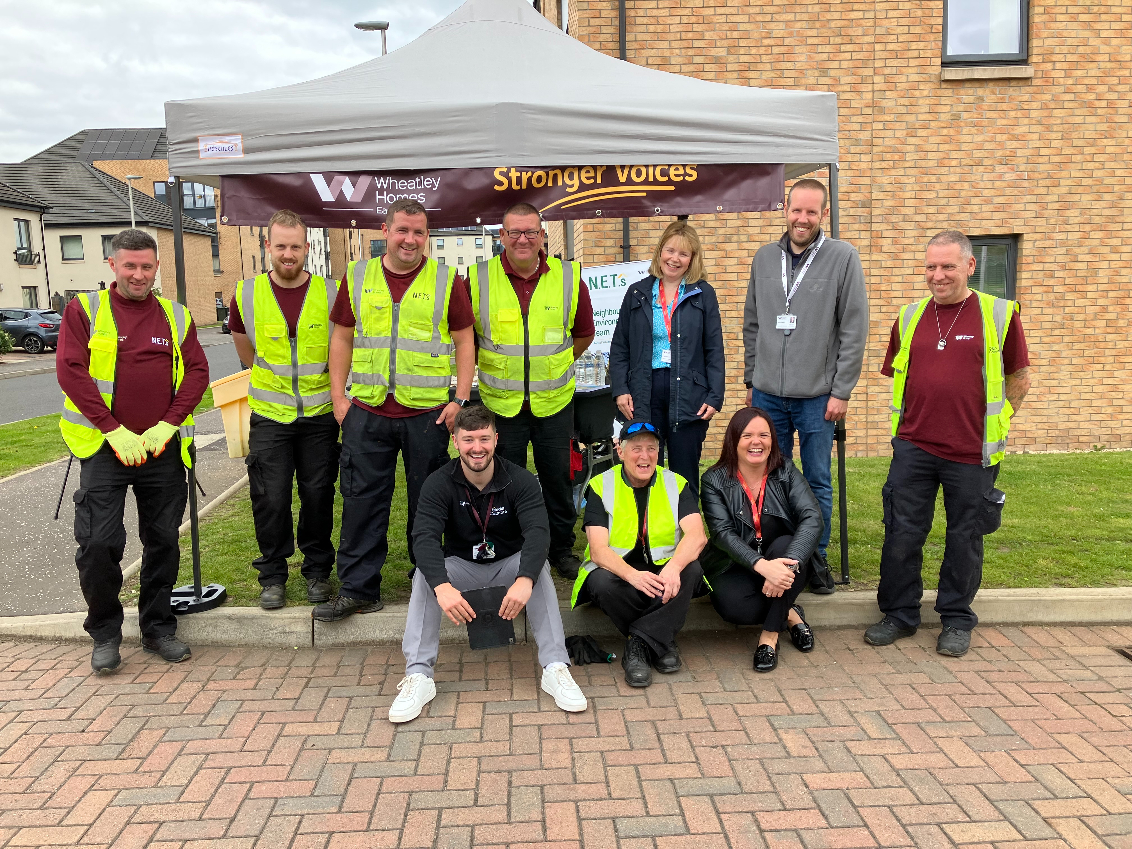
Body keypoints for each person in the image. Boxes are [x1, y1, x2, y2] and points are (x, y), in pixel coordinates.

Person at [866, 230, 1031, 657]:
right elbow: (900, 376)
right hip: (914, 447)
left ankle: (956, 619)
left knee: (964, 538)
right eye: (930, 267)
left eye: (947, 267)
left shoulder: (998, 314)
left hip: (972, 453)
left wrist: (1001, 420)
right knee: (901, 533)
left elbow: (1020, 376)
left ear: (970, 267)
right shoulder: (909, 317)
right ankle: (899, 614)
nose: (937, 276)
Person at [317, 199, 476, 621]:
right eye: (402, 230)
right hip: (366, 411)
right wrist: (338, 398)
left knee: (430, 501)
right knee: (362, 501)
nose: (410, 239)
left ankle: (427, 580)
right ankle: (357, 588)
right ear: (384, 231)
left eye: (419, 232)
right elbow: (342, 340)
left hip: (427, 414)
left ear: (428, 237)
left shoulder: (447, 281)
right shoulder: (357, 276)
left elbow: (464, 341)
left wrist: (459, 399)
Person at [57, 229, 208, 673]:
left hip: (159, 448)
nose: (138, 274)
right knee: (99, 543)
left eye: (146, 266)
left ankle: (157, 628)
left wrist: (167, 425)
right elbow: (71, 371)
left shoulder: (176, 316)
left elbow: (197, 372)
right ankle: (105, 632)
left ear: (156, 267)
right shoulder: (85, 310)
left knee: (162, 541)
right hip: (105, 448)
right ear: (113, 266)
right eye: (130, 266)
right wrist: (112, 429)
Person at [391, 404, 587, 723]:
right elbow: (424, 538)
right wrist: (442, 586)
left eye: (484, 439)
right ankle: (419, 677)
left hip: (508, 565)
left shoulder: (520, 480)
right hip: (460, 566)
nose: (477, 448)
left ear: (496, 439)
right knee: (425, 577)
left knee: (537, 568)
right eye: (468, 440)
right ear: (455, 441)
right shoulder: (438, 483)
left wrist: (524, 579)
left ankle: (556, 667)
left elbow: (538, 533)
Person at [743, 178, 869, 592]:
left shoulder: (842, 257)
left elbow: (854, 328)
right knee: (768, 477)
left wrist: (842, 390)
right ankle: (774, 552)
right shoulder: (764, 258)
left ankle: (814, 558)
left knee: (816, 480)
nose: (802, 218)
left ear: (824, 214)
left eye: (811, 212)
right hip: (767, 395)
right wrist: (751, 377)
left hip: (818, 397)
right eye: (796, 210)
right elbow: (753, 324)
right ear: (786, 209)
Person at [467, 202, 595, 580]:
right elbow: (465, 338)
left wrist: (552, 367)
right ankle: (508, 549)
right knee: (503, 482)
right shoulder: (476, 279)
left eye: (531, 232)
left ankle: (560, 550)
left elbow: (584, 333)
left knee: (558, 480)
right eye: (514, 232)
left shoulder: (569, 277)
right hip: (500, 403)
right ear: (501, 237)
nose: (523, 239)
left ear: (543, 236)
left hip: (554, 402)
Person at [228, 211, 340, 610]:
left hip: (320, 413)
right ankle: (272, 575)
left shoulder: (332, 292)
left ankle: (316, 572)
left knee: (317, 496)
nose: (288, 253)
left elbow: (343, 349)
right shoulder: (245, 293)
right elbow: (246, 351)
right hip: (270, 416)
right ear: (267, 247)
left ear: (307, 248)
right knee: (270, 498)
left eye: (296, 246)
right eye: (281, 246)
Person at [573, 420, 706, 688]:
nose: (644, 456)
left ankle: (637, 647)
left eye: (651, 449)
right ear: (620, 452)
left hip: (662, 572)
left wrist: (673, 568)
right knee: (600, 582)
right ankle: (662, 642)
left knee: (692, 570)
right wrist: (632, 576)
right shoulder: (601, 485)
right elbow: (598, 550)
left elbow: (697, 536)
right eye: (636, 449)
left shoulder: (677, 484)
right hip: (618, 574)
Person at [699, 408, 821, 672]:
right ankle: (790, 614)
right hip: (735, 562)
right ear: (734, 440)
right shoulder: (713, 480)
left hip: (784, 555)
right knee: (734, 611)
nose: (757, 442)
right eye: (747, 435)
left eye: (764, 435)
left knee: (786, 549)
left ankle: (769, 637)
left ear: (772, 440)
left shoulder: (785, 470)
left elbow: (812, 518)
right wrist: (762, 566)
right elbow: (722, 534)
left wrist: (788, 564)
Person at [610, 221, 725, 500]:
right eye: (670, 250)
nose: (675, 259)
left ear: (692, 259)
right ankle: (644, 537)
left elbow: (714, 348)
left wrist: (715, 395)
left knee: (683, 476)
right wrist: (620, 390)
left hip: (688, 394)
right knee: (642, 471)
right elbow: (620, 346)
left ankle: (687, 538)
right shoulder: (637, 292)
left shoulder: (703, 293)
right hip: (643, 393)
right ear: (659, 252)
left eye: (683, 254)